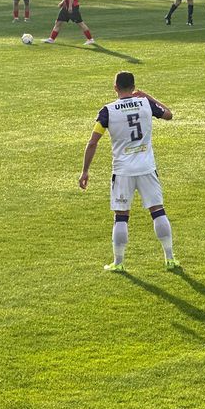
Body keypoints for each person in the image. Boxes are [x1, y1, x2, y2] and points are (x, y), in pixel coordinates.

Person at [78, 71, 178, 272]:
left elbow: (93, 142)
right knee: (158, 211)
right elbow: (168, 114)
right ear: (134, 87)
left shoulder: (107, 111)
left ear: (115, 87)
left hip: (123, 170)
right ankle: (170, 259)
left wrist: (85, 171)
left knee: (121, 215)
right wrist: (147, 96)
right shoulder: (145, 104)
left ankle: (119, 262)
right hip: (147, 167)